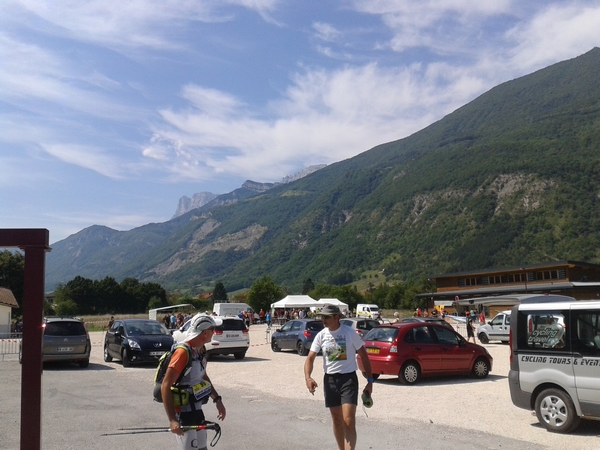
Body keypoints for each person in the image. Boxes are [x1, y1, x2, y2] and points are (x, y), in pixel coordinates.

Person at [304, 304, 373, 450]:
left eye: (327, 317)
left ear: (337, 317)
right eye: (322, 317)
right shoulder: (321, 335)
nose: (324, 320)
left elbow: (364, 355)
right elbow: (310, 358)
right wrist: (308, 377)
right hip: (330, 381)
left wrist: (370, 381)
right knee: (337, 420)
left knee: (348, 421)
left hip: (348, 379)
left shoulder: (349, 333)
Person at [161, 314, 226, 450]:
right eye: (213, 329)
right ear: (205, 332)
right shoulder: (182, 352)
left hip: (196, 409)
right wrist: (172, 419)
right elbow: (165, 385)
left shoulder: (200, 350)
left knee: (202, 448)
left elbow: (203, 377)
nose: (214, 332)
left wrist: (217, 400)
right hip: (182, 413)